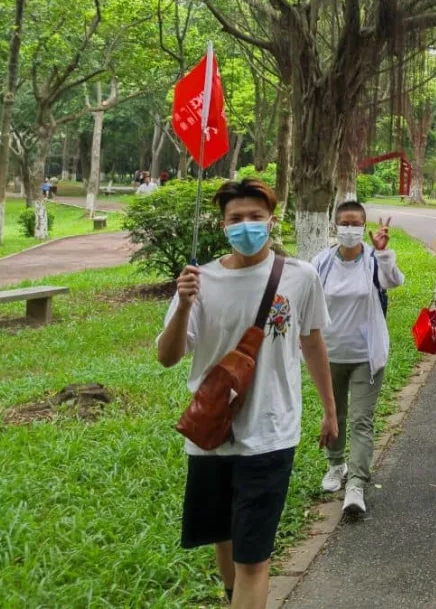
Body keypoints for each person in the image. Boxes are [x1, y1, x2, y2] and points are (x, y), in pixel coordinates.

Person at [157, 178, 338, 609]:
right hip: (211, 435)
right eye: (236, 219)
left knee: (254, 559)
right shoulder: (201, 281)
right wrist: (182, 305)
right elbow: (168, 357)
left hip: (272, 432)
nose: (246, 226)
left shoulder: (300, 277)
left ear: (271, 222)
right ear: (222, 226)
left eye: (255, 217)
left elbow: (312, 343)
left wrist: (330, 411)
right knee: (223, 538)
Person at [311, 206, 404, 516]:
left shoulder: (372, 260)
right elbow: (307, 302)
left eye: (356, 224)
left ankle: (357, 484)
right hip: (329, 355)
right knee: (334, 412)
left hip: (367, 356)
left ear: (364, 227)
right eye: (344, 223)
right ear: (335, 225)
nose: (349, 228)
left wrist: (384, 252)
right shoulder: (321, 263)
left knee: (361, 420)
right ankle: (335, 466)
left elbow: (394, 282)